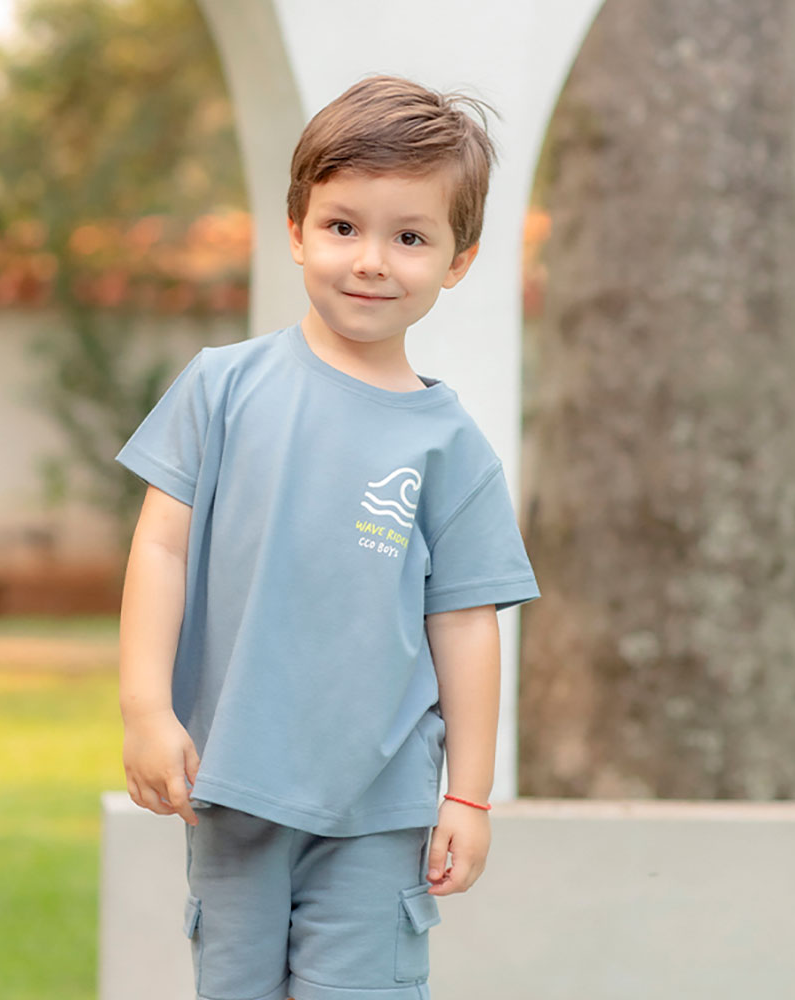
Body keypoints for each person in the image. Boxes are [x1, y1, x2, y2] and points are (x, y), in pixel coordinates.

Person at [114, 74, 540, 1000]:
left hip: (377, 806)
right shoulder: (220, 388)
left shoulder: (451, 448)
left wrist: (469, 793)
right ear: (298, 226)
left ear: (458, 261)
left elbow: (467, 627)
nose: (372, 260)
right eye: (345, 225)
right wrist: (148, 709)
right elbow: (160, 550)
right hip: (231, 785)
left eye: (411, 237)